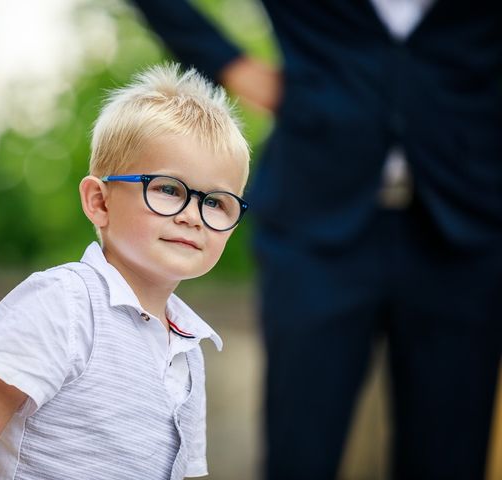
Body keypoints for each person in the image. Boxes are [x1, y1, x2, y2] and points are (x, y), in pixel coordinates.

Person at [128, 1, 502, 478]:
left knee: (450, 458)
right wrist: (228, 63)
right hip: (314, 224)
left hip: (466, 223)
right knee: (299, 453)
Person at [0, 63, 251, 480]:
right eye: (169, 190)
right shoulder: (65, 302)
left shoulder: (189, 348)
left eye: (216, 202)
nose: (193, 216)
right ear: (100, 202)